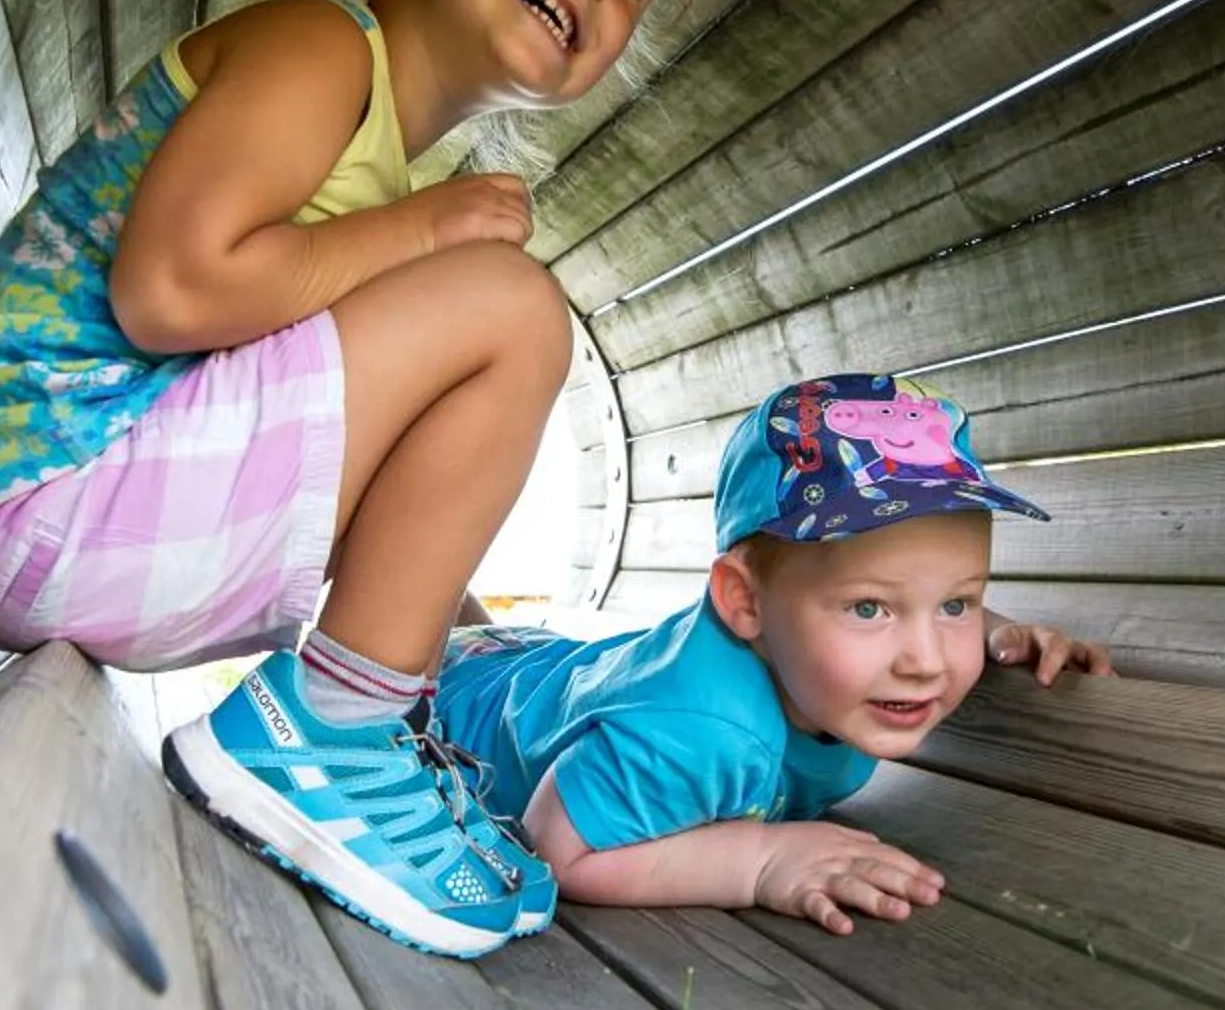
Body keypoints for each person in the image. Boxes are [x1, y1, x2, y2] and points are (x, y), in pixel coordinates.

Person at [0, 0, 694, 962]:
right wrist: (425, 231)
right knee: (512, 308)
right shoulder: (318, 49)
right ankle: (330, 732)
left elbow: (359, 452)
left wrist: (462, 642)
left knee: (467, 315)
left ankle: (386, 723)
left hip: (76, 521)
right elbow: (170, 290)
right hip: (54, 485)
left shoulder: (381, 173)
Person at [428, 374, 1113, 937]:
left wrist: (996, 633)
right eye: (869, 609)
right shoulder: (700, 733)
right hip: (464, 697)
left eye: (954, 604)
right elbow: (554, 843)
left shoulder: (859, 666)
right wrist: (758, 861)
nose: (927, 661)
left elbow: (921, 597)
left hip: (559, 667)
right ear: (744, 602)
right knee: (434, 625)